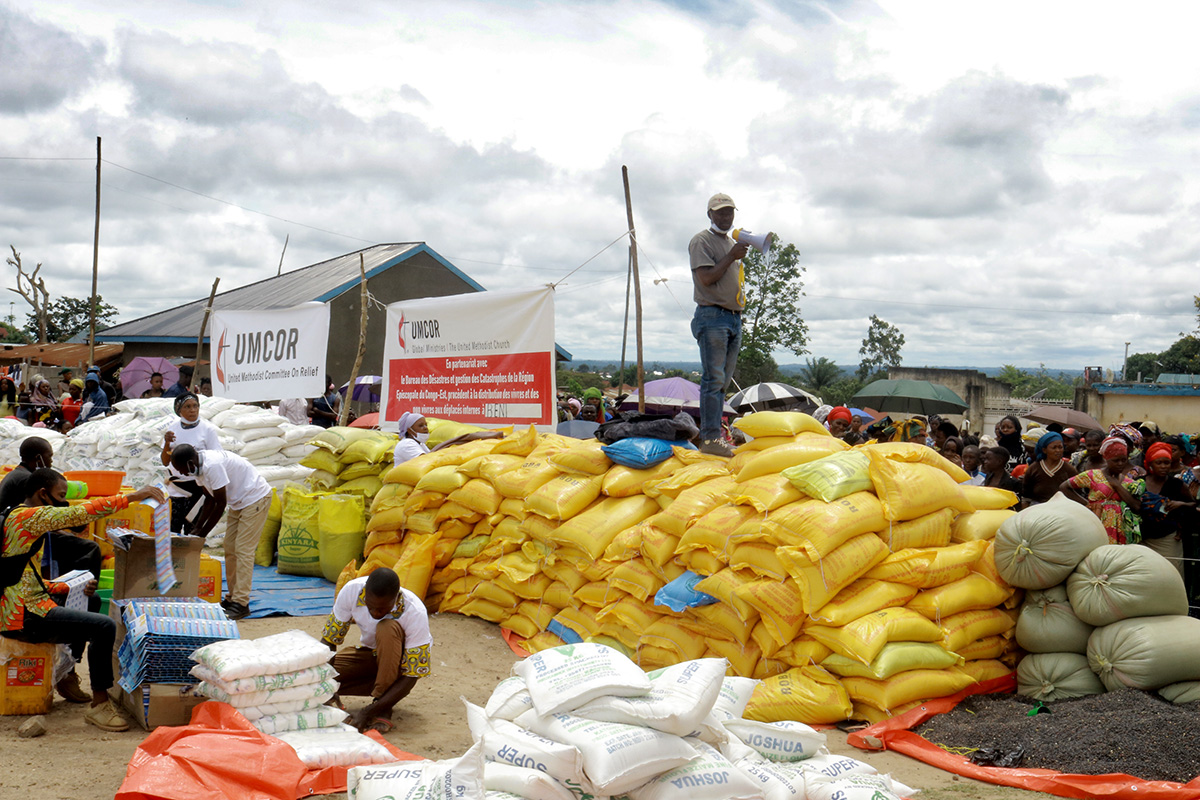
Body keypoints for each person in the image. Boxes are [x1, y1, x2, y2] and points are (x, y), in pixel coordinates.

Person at [1, 467, 166, 731]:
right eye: (60, 495)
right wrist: (133, 497)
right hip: (24, 615)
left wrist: (65, 587)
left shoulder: (15, 517)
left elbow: (21, 577)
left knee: (85, 599)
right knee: (103, 625)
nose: (64, 500)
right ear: (43, 494)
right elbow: (80, 513)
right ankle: (100, 705)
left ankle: (66, 674)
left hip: (21, 605)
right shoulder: (29, 517)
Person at [320, 567, 432, 733]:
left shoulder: (414, 611)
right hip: (370, 656)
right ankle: (381, 698)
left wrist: (367, 712)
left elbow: (412, 675)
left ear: (395, 599)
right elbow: (329, 640)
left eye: (382, 609)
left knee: (387, 627)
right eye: (371, 606)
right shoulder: (351, 591)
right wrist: (327, 686)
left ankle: (382, 705)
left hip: (399, 669)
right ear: (364, 594)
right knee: (316, 678)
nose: (375, 612)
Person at [170, 445, 271, 621]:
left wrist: (203, 533)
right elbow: (209, 499)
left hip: (255, 498)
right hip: (239, 502)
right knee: (229, 547)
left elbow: (220, 503)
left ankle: (241, 603)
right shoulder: (198, 468)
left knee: (243, 550)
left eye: (182, 469)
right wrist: (197, 528)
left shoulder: (212, 466)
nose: (183, 474)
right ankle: (232, 598)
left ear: (190, 462)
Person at [689, 192, 749, 457]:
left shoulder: (730, 243)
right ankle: (711, 438)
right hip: (712, 316)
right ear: (709, 214)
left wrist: (735, 252)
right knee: (713, 380)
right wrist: (732, 255)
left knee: (722, 381)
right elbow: (706, 278)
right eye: (720, 212)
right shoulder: (701, 241)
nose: (726, 217)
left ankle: (716, 435)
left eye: (729, 212)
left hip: (733, 318)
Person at [160, 392, 223, 533]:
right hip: (177, 488)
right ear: (179, 410)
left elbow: (216, 457)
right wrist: (166, 443)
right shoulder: (173, 429)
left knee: (192, 528)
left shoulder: (207, 429)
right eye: (187, 407)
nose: (192, 410)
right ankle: (173, 554)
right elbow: (165, 461)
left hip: (198, 487)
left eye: (195, 406)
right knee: (173, 528)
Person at [1062, 436, 1143, 544]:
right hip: (1096, 522)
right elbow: (1064, 487)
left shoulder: (1129, 482)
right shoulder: (1093, 475)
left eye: (1123, 460)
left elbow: (1137, 506)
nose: (1120, 464)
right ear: (1106, 459)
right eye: (1115, 460)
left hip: (1120, 528)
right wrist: (1086, 504)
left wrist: (1117, 485)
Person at [1137, 441, 1194, 577]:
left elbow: (1193, 504)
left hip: (1167, 538)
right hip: (1142, 538)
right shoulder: (1139, 482)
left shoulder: (1177, 484)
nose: (1163, 467)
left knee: (1170, 574)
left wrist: (1181, 504)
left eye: (1166, 463)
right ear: (1150, 464)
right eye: (1159, 463)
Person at [392, 411, 501, 466]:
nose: (425, 428)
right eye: (420, 426)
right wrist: (453, 441)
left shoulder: (420, 444)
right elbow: (426, 461)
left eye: (426, 425)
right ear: (410, 430)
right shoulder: (407, 444)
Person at [1021, 431, 1077, 506]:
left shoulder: (1069, 470)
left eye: (1060, 447)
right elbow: (1026, 498)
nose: (1058, 451)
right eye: (1054, 448)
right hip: (1037, 510)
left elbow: (1076, 494)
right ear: (1044, 450)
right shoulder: (1034, 469)